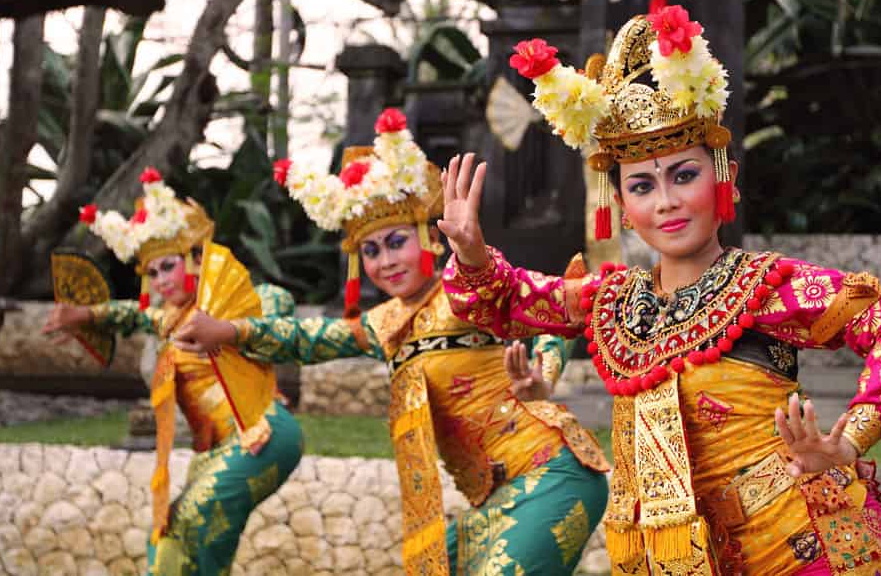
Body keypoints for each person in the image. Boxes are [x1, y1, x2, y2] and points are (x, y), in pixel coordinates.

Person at [437, 8, 881, 575]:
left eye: (683, 175)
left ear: (720, 177)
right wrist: (469, 252)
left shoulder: (768, 287)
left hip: (802, 544)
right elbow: (505, 300)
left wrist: (849, 441)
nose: (666, 200)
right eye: (642, 185)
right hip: (685, 559)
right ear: (625, 212)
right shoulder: (609, 300)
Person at [171, 109, 610, 575]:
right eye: (372, 251)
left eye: (396, 242)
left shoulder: (463, 292)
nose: (386, 261)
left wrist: (543, 375)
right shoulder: (385, 323)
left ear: (429, 238)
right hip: (499, 496)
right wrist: (229, 331)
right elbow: (306, 337)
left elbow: (543, 316)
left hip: (551, 473)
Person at [41, 168, 302, 575]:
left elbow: (279, 301)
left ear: (196, 260)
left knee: (193, 516)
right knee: (171, 542)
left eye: (168, 267)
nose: (161, 281)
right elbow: (131, 314)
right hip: (215, 451)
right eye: (152, 273)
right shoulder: (169, 320)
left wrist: (230, 325)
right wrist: (83, 314)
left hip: (263, 432)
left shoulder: (233, 300)